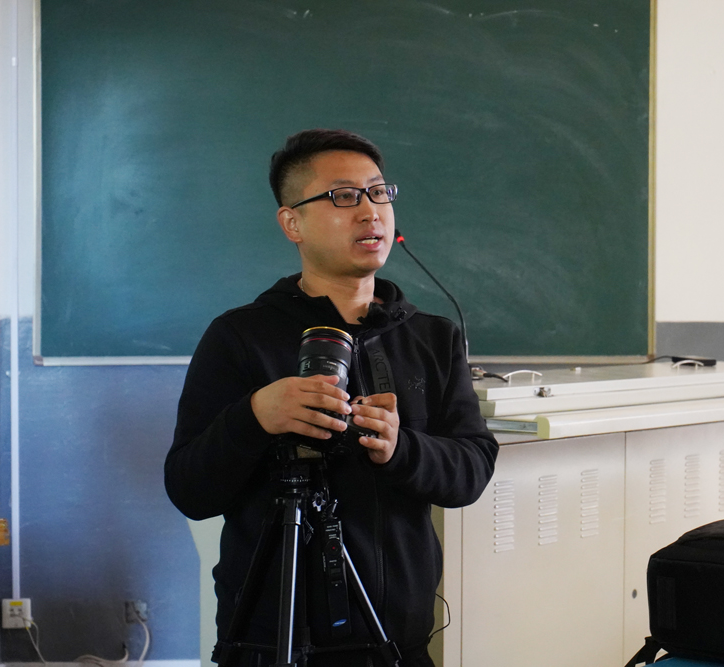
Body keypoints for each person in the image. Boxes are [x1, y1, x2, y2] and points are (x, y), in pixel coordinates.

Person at [164, 128, 499, 667]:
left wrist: (400, 448)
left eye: (379, 192)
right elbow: (189, 490)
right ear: (292, 223)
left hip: (399, 640)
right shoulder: (240, 336)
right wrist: (255, 417)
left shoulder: (432, 338)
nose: (370, 211)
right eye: (343, 196)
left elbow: (472, 469)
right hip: (270, 641)